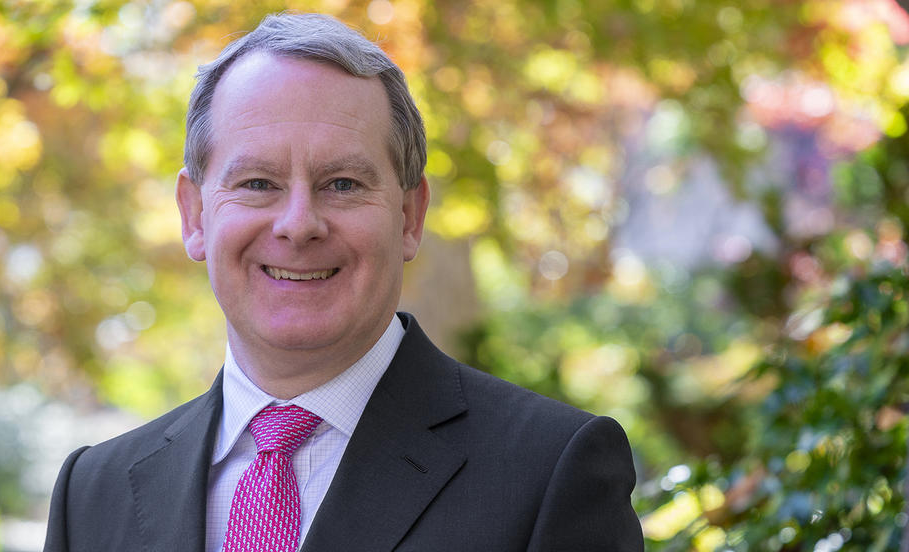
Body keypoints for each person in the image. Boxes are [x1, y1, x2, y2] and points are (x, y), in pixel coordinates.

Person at [45, 12, 643, 552]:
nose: (298, 224)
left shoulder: (549, 471)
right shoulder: (92, 495)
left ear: (409, 217)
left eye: (343, 184)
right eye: (257, 183)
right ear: (195, 215)